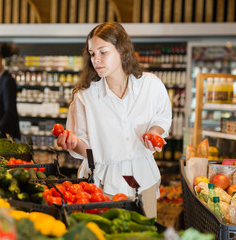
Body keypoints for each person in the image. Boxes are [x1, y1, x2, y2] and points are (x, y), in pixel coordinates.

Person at [56, 22, 172, 218]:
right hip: (103, 184)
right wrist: (74, 142)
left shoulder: (150, 85)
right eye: (92, 54)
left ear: (122, 50)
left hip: (143, 178)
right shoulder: (86, 96)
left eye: (103, 52)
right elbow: (86, 148)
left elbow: (162, 116)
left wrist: (154, 132)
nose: (96, 60)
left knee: (145, 233)